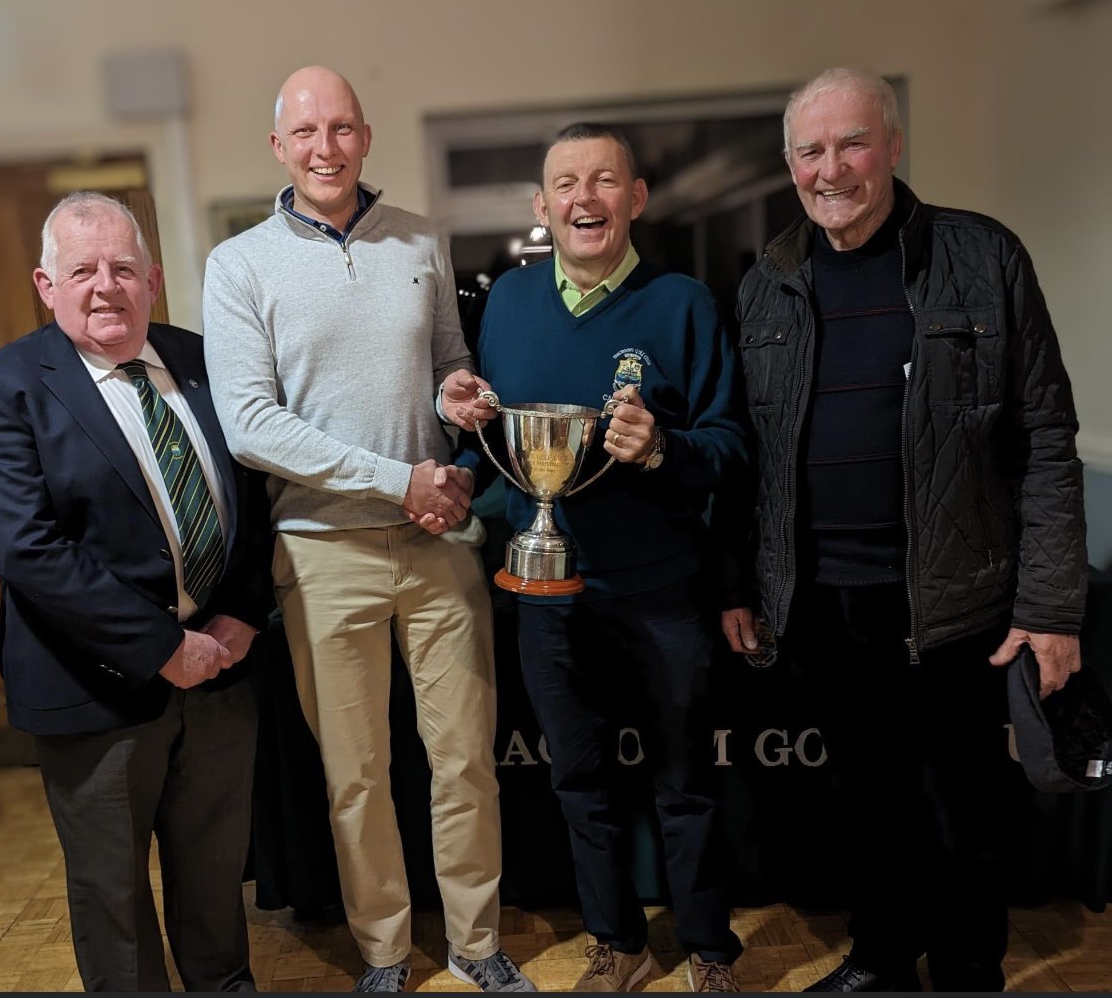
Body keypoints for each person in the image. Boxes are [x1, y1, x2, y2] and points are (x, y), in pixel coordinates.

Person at [722, 67, 1087, 992]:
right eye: (811, 150)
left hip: (957, 600)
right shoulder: (768, 280)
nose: (831, 168)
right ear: (790, 163)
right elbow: (748, 458)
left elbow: (1046, 437)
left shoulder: (983, 255)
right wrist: (741, 582)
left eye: (851, 144)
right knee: (864, 802)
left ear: (891, 146)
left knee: (964, 809)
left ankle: (969, 971)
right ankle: (883, 957)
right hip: (825, 601)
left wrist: (1052, 605)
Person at [201, 66, 534, 994]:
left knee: (465, 760)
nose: (324, 147)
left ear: (366, 135)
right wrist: (401, 479)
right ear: (278, 146)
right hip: (319, 549)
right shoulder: (240, 265)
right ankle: (386, 953)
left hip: (435, 542)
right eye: (305, 131)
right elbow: (252, 425)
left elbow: (447, 363)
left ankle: (476, 943)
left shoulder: (420, 238)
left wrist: (457, 397)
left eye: (341, 127)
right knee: (357, 775)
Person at [442, 123, 750, 993]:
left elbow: (730, 444)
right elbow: (490, 434)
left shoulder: (684, 303)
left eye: (604, 181)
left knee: (686, 784)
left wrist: (662, 449)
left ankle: (710, 950)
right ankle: (618, 942)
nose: (585, 199)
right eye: (566, 184)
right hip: (547, 591)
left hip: (662, 590)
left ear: (635, 197)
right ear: (542, 207)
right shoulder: (505, 300)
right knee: (578, 781)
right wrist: (461, 439)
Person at [0, 192, 273, 991]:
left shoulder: (205, 360)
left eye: (123, 268)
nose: (106, 286)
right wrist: (165, 647)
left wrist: (241, 616)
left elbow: (256, 498)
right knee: (114, 905)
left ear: (153, 279)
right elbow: (30, 550)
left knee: (214, 887)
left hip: (223, 676)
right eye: (83, 270)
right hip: (92, 691)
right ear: (44, 283)